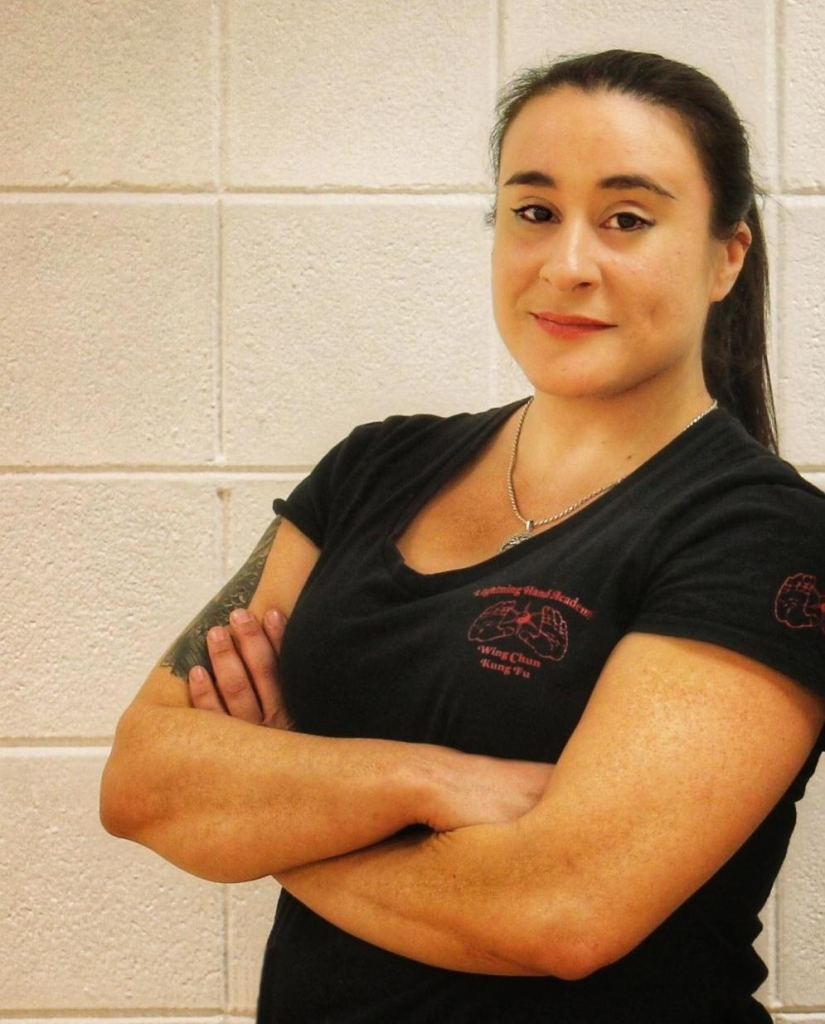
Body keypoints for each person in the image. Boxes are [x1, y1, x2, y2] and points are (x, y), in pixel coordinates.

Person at [100, 49, 825, 1023]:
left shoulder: (762, 535)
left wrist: (265, 814)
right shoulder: (372, 470)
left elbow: (557, 912)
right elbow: (143, 782)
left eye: (626, 219)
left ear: (725, 256)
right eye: (534, 210)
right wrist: (432, 782)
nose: (567, 264)